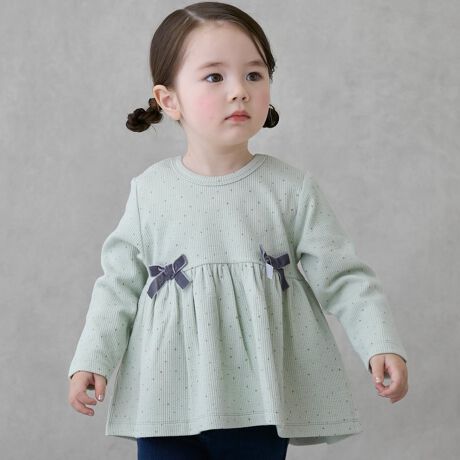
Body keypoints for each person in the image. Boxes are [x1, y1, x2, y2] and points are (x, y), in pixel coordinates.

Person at [67, 2, 409, 459]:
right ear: (169, 99)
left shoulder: (290, 189)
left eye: (254, 74)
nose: (240, 92)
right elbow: (118, 286)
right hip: (166, 396)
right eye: (214, 76)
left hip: (260, 399)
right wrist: (93, 357)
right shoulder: (150, 192)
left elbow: (343, 275)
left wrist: (379, 342)